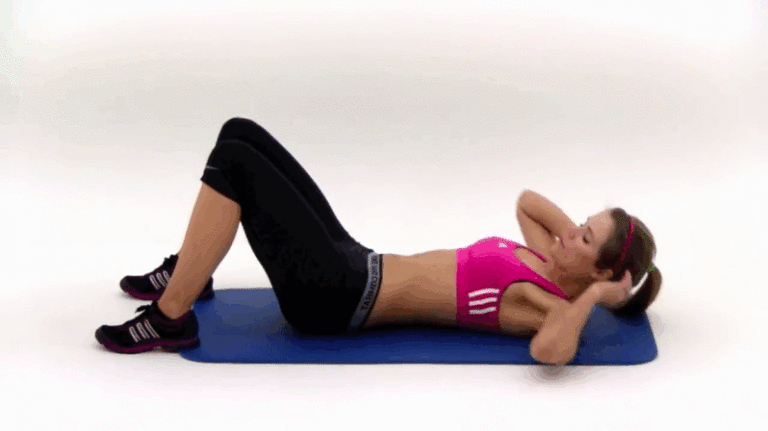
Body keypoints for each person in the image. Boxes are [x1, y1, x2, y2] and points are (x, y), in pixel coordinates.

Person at [95, 117, 662, 365]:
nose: (568, 232)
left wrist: (594, 294)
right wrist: (581, 249)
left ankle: (172, 317)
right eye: (580, 225)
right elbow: (528, 200)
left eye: (584, 236)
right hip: (355, 259)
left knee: (234, 162)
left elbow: (550, 354)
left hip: (338, 298)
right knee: (239, 132)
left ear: (600, 272)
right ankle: (191, 271)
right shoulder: (546, 260)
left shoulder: (547, 305)